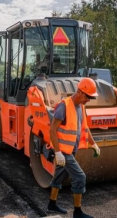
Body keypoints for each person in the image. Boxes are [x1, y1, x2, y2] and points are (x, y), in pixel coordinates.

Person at [47, 78, 101, 218]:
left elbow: (85, 128)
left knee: (60, 175)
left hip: (71, 150)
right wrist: (58, 152)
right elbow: (52, 130)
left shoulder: (81, 107)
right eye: (88, 97)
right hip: (63, 151)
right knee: (80, 177)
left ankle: (51, 204)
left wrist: (93, 143)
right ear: (80, 92)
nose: (88, 100)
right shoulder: (63, 106)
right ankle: (77, 213)